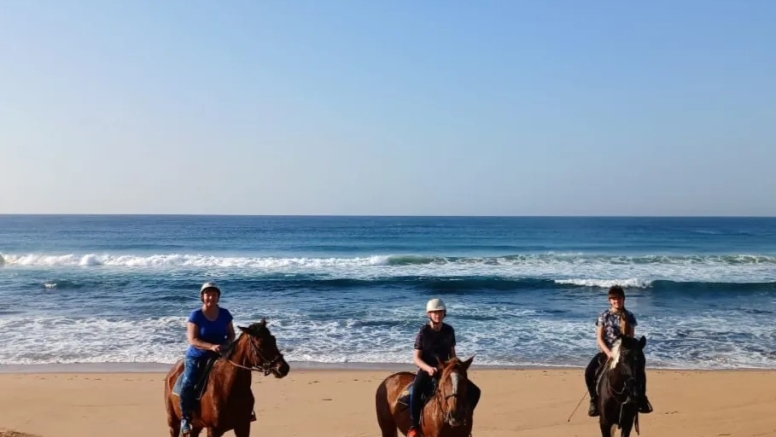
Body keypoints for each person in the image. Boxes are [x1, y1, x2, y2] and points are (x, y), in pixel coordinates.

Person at [407, 298, 481, 437]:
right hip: (428, 370)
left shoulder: (449, 330)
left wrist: (456, 367)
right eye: (434, 312)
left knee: (475, 391)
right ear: (428, 314)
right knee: (416, 391)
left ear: (444, 313)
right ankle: (414, 426)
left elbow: (453, 355)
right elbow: (416, 358)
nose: (438, 315)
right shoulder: (423, 332)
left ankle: (465, 419)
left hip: (447, 370)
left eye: (440, 312)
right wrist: (428, 368)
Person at [585, 285, 652, 417]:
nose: (617, 301)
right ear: (609, 300)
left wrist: (623, 353)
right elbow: (599, 338)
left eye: (619, 298)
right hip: (606, 353)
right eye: (614, 299)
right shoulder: (603, 316)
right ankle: (593, 400)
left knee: (639, 372)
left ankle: (642, 399)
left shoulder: (629, 316)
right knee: (588, 372)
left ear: (623, 299)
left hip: (624, 354)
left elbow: (631, 339)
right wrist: (609, 353)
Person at [179, 282, 236, 435]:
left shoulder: (225, 314)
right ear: (202, 297)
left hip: (221, 354)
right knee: (189, 383)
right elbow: (193, 339)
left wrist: (227, 344)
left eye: (214, 294)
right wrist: (211, 346)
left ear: (218, 297)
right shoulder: (196, 315)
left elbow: (231, 334)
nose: (211, 297)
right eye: (208, 294)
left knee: (237, 379)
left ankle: (244, 412)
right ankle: (185, 418)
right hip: (198, 356)